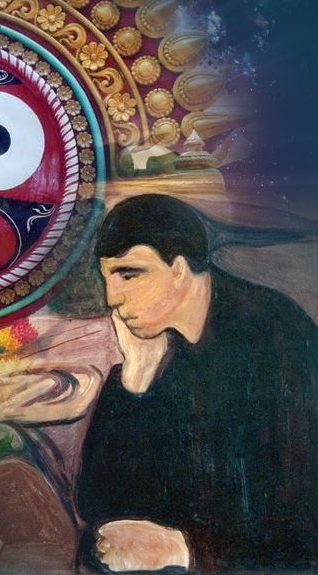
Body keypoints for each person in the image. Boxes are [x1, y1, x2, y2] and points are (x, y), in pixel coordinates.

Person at [76, 194, 318, 573]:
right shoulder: (163, 345)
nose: (112, 299)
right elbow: (100, 509)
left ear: (178, 268)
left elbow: (300, 534)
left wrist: (184, 551)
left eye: (129, 274)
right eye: (107, 277)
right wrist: (136, 379)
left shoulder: (275, 340)